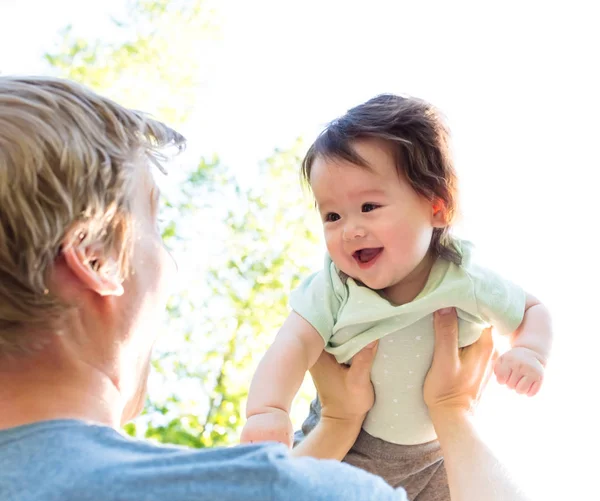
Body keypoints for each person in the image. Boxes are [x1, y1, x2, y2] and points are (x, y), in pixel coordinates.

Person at [0, 76, 529, 501]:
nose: (168, 264)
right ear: (95, 259)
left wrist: (336, 426)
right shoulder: (274, 488)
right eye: (154, 232)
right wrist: (454, 412)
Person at [241, 94, 553, 499]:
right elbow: (293, 344)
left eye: (369, 206)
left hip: (435, 456)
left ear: (437, 208)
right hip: (346, 447)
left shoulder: (464, 276)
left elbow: (533, 309)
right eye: (332, 216)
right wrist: (268, 410)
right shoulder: (336, 285)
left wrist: (529, 351)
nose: (349, 229)